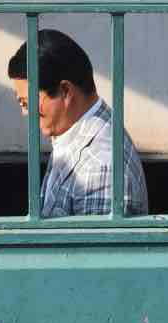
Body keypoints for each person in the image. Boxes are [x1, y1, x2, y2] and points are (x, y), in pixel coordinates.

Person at [8, 29, 149, 217]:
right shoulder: (77, 131)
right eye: (21, 103)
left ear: (65, 91)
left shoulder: (99, 169)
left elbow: (95, 246)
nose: (25, 113)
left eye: (27, 103)